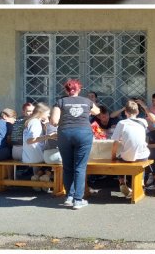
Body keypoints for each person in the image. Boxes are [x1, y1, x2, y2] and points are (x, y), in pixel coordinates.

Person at [50, 79, 100, 210]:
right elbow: (97, 112)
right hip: (83, 134)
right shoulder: (87, 101)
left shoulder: (60, 101)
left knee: (67, 166)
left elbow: (54, 121)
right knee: (80, 167)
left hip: (65, 134)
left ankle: (69, 197)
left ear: (66, 90)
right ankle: (78, 200)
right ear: (79, 89)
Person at [111, 101, 151, 199]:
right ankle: (141, 182)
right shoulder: (143, 122)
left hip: (127, 157)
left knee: (119, 159)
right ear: (137, 112)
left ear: (125, 112)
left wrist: (113, 155)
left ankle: (122, 182)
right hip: (143, 156)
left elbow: (115, 142)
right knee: (142, 162)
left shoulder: (121, 123)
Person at [22, 103, 53, 190]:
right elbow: (30, 140)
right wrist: (49, 136)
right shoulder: (35, 123)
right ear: (41, 112)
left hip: (27, 156)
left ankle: (37, 176)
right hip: (36, 155)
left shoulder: (30, 121)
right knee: (54, 158)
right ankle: (45, 180)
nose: (49, 115)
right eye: (47, 113)